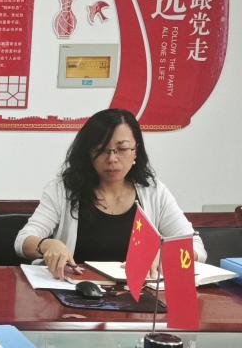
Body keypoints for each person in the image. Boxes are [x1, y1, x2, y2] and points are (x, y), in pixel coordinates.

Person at [15, 108, 205, 278]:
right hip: (73, 292)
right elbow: (23, 240)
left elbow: (195, 246)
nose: (112, 159)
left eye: (122, 149)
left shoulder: (154, 192)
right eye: (101, 150)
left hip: (137, 295)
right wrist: (46, 245)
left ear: (135, 151)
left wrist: (167, 255)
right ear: (88, 153)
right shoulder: (63, 190)